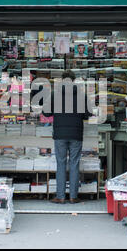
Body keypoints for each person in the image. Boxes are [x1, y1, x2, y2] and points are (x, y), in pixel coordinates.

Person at [43, 70, 91, 204]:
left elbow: (46, 113)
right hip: (76, 134)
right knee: (74, 164)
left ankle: (60, 196)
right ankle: (73, 196)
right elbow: (87, 114)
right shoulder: (82, 95)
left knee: (61, 164)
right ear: (74, 80)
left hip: (60, 135)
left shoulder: (54, 94)